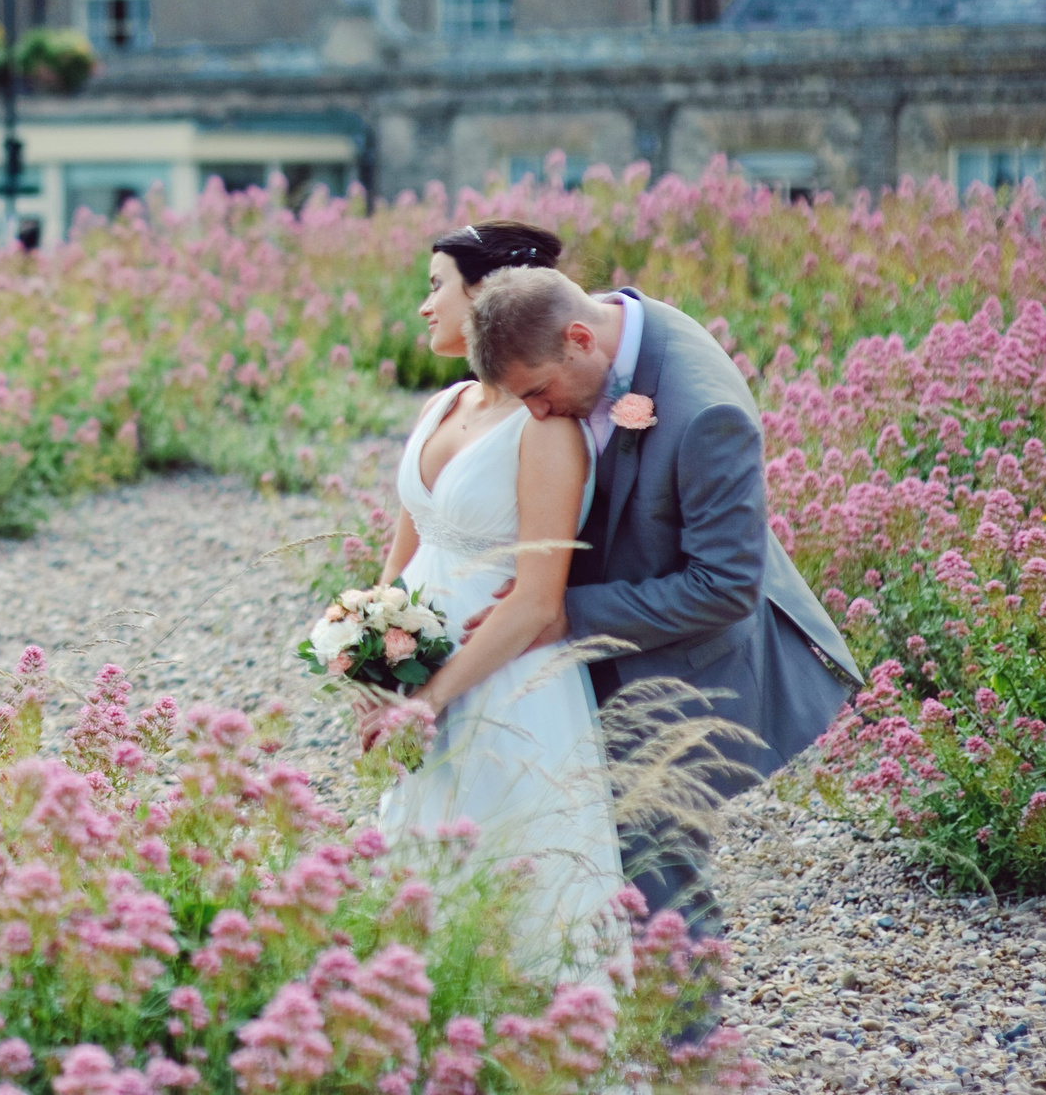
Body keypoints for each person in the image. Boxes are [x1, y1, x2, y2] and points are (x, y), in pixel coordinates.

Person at [461, 266, 862, 945]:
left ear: (580, 339)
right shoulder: (610, 333)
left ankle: (686, 1013)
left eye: (537, 392)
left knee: (657, 874)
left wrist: (566, 613)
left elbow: (725, 587)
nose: (537, 414)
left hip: (687, 668)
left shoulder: (704, 413)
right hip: (612, 646)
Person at [368, 222, 624, 978]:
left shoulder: (543, 427)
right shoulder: (441, 405)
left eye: (437, 285)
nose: (425, 306)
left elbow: (540, 602)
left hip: (506, 681)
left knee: (514, 875)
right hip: (420, 678)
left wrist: (429, 701)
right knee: (421, 874)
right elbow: (401, 559)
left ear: (484, 294)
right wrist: (373, 669)